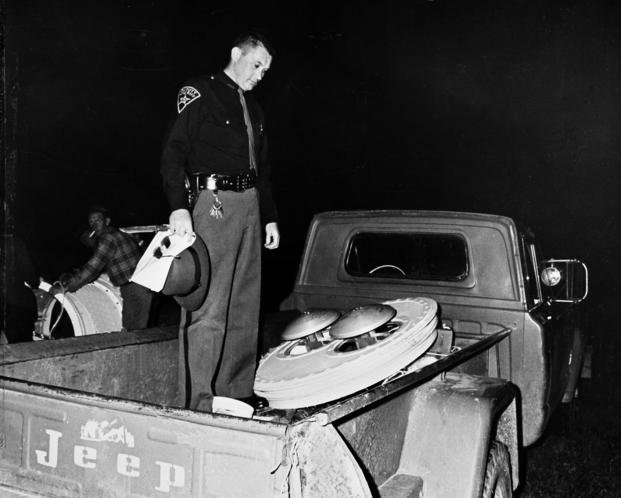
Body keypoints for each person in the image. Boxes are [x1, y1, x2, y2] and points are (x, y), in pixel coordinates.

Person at [160, 31, 280, 412]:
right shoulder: (199, 92)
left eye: (266, 70)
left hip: (249, 206)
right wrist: (178, 207)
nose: (260, 74)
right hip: (213, 205)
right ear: (235, 54)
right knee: (208, 308)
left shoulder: (255, 109)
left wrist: (270, 219)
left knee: (245, 305)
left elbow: (263, 170)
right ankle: (198, 401)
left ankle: (235, 392)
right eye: (256, 64)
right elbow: (173, 154)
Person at [59, 206, 153, 331]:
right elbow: (107, 262)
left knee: (137, 332)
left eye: (97, 220)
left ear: (107, 221)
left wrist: (68, 286)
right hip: (132, 285)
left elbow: (93, 268)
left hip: (137, 287)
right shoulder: (115, 234)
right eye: (91, 221)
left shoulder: (107, 238)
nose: (94, 224)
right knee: (129, 329)